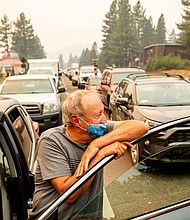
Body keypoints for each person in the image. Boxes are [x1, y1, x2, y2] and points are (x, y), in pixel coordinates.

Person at [29, 90, 148, 220]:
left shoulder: (98, 130)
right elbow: (69, 195)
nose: (104, 119)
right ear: (76, 120)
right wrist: (100, 155)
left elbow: (141, 127)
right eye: (98, 115)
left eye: (103, 112)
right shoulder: (52, 141)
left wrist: (97, 144)